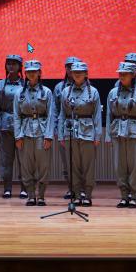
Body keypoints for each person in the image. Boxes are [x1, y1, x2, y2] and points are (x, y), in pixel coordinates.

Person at [106, 61, 136, 208]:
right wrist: (108, 136)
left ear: (133, 75)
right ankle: (124, 195)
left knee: (135, 166)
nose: (122, 76)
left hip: (134, 132)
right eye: (120, 74)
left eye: (125, 74)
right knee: (119, 166)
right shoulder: (113, 93)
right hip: (117, 132)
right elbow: (109, 115)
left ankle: (134, 195)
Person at [57, 59, 101, 206]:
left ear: (86, 74)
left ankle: (87, 194)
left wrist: (97, 135)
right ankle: (76, 194)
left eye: (80, 72)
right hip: (70, 132)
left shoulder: (93, 91)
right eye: (74, 72)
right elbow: (62, 115)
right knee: (73, 166)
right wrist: (61, 135)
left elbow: (97, 115)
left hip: (87, 131)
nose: (76, 74)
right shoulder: (65, 91)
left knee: (88, 166)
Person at [14, 59, 54, 206]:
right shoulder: (19, 93)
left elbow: (51, 115)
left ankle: (41, 195)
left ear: (39, 73)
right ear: (25, 73)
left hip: (41, 132)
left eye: (34, 71)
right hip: (25, 132)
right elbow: (16, 115)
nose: (31, 74)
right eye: (29, 72)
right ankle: (31, 195)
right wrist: (18, 135)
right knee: (26, 166)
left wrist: (49, 136)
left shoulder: (47, 92)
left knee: (43, 166)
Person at [0, 54, 24, 198]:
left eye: (14, 64)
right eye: (9, 63)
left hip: (22, 126)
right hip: (5, 126)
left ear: (20, 67)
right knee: (6, 160)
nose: (11, 66)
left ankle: (25, 187)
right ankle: (7, 188)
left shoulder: (25, 84)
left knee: (23, 159)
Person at [52, 56, 76, 200]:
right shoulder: (59, 88)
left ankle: (82, 189)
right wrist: (56, 129)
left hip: (83, 128)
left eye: (73, 66)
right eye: (68, 66)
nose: (71, 69)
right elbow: (55, 111)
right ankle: (71, 188)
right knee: (66, 162)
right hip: (64, 128)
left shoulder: (88, 88)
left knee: (80, 161)